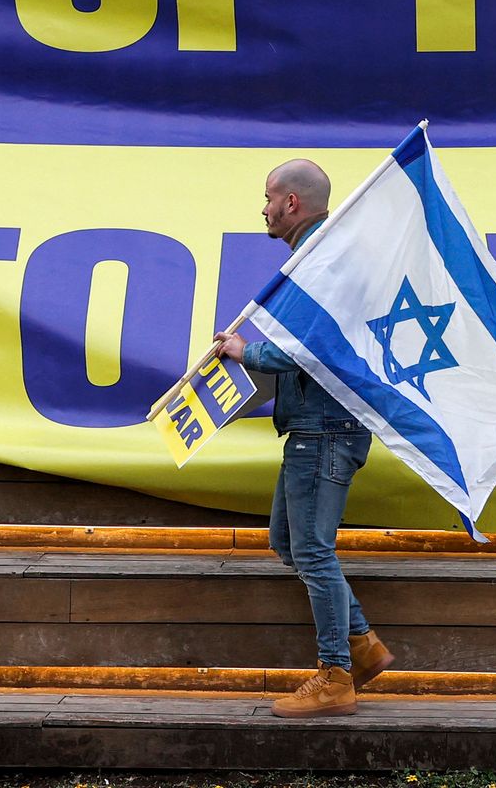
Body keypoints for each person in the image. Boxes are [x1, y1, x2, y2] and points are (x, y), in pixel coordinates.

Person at [211, 158, 395, 718]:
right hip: (316, 429)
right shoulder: (317, 258)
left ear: (291, 202)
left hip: (325, 431)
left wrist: (250, 353)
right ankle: (363, 646)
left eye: (267, 198)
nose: (262, 209)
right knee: (289, 544)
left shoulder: (323, 261)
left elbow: (319, 350)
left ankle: (336, 675)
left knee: (312, 550)